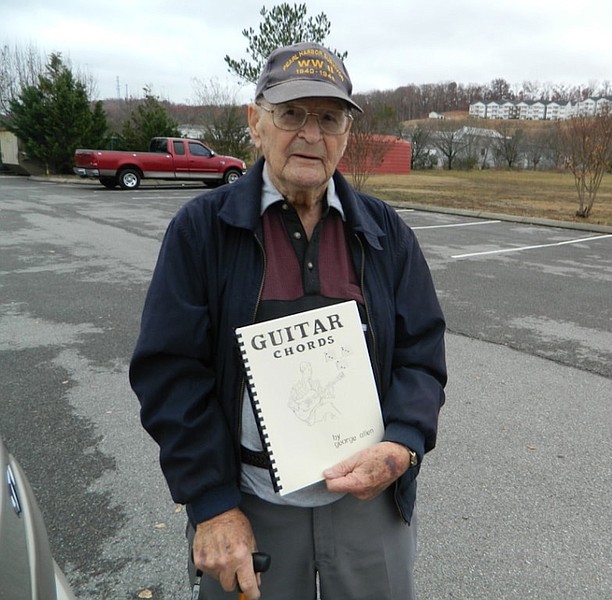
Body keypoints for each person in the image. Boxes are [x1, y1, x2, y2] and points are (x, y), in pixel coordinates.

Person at [129, 41, 447, 600]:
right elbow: (170, 373)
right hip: (248, 504)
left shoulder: (384, 232)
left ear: (347, 134)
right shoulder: (202, 232)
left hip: (368, 505)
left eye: (329, 118)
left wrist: (402, 442)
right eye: (291, 113)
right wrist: (212, 504)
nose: (310, 134)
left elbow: (421, 352)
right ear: (256, 122)